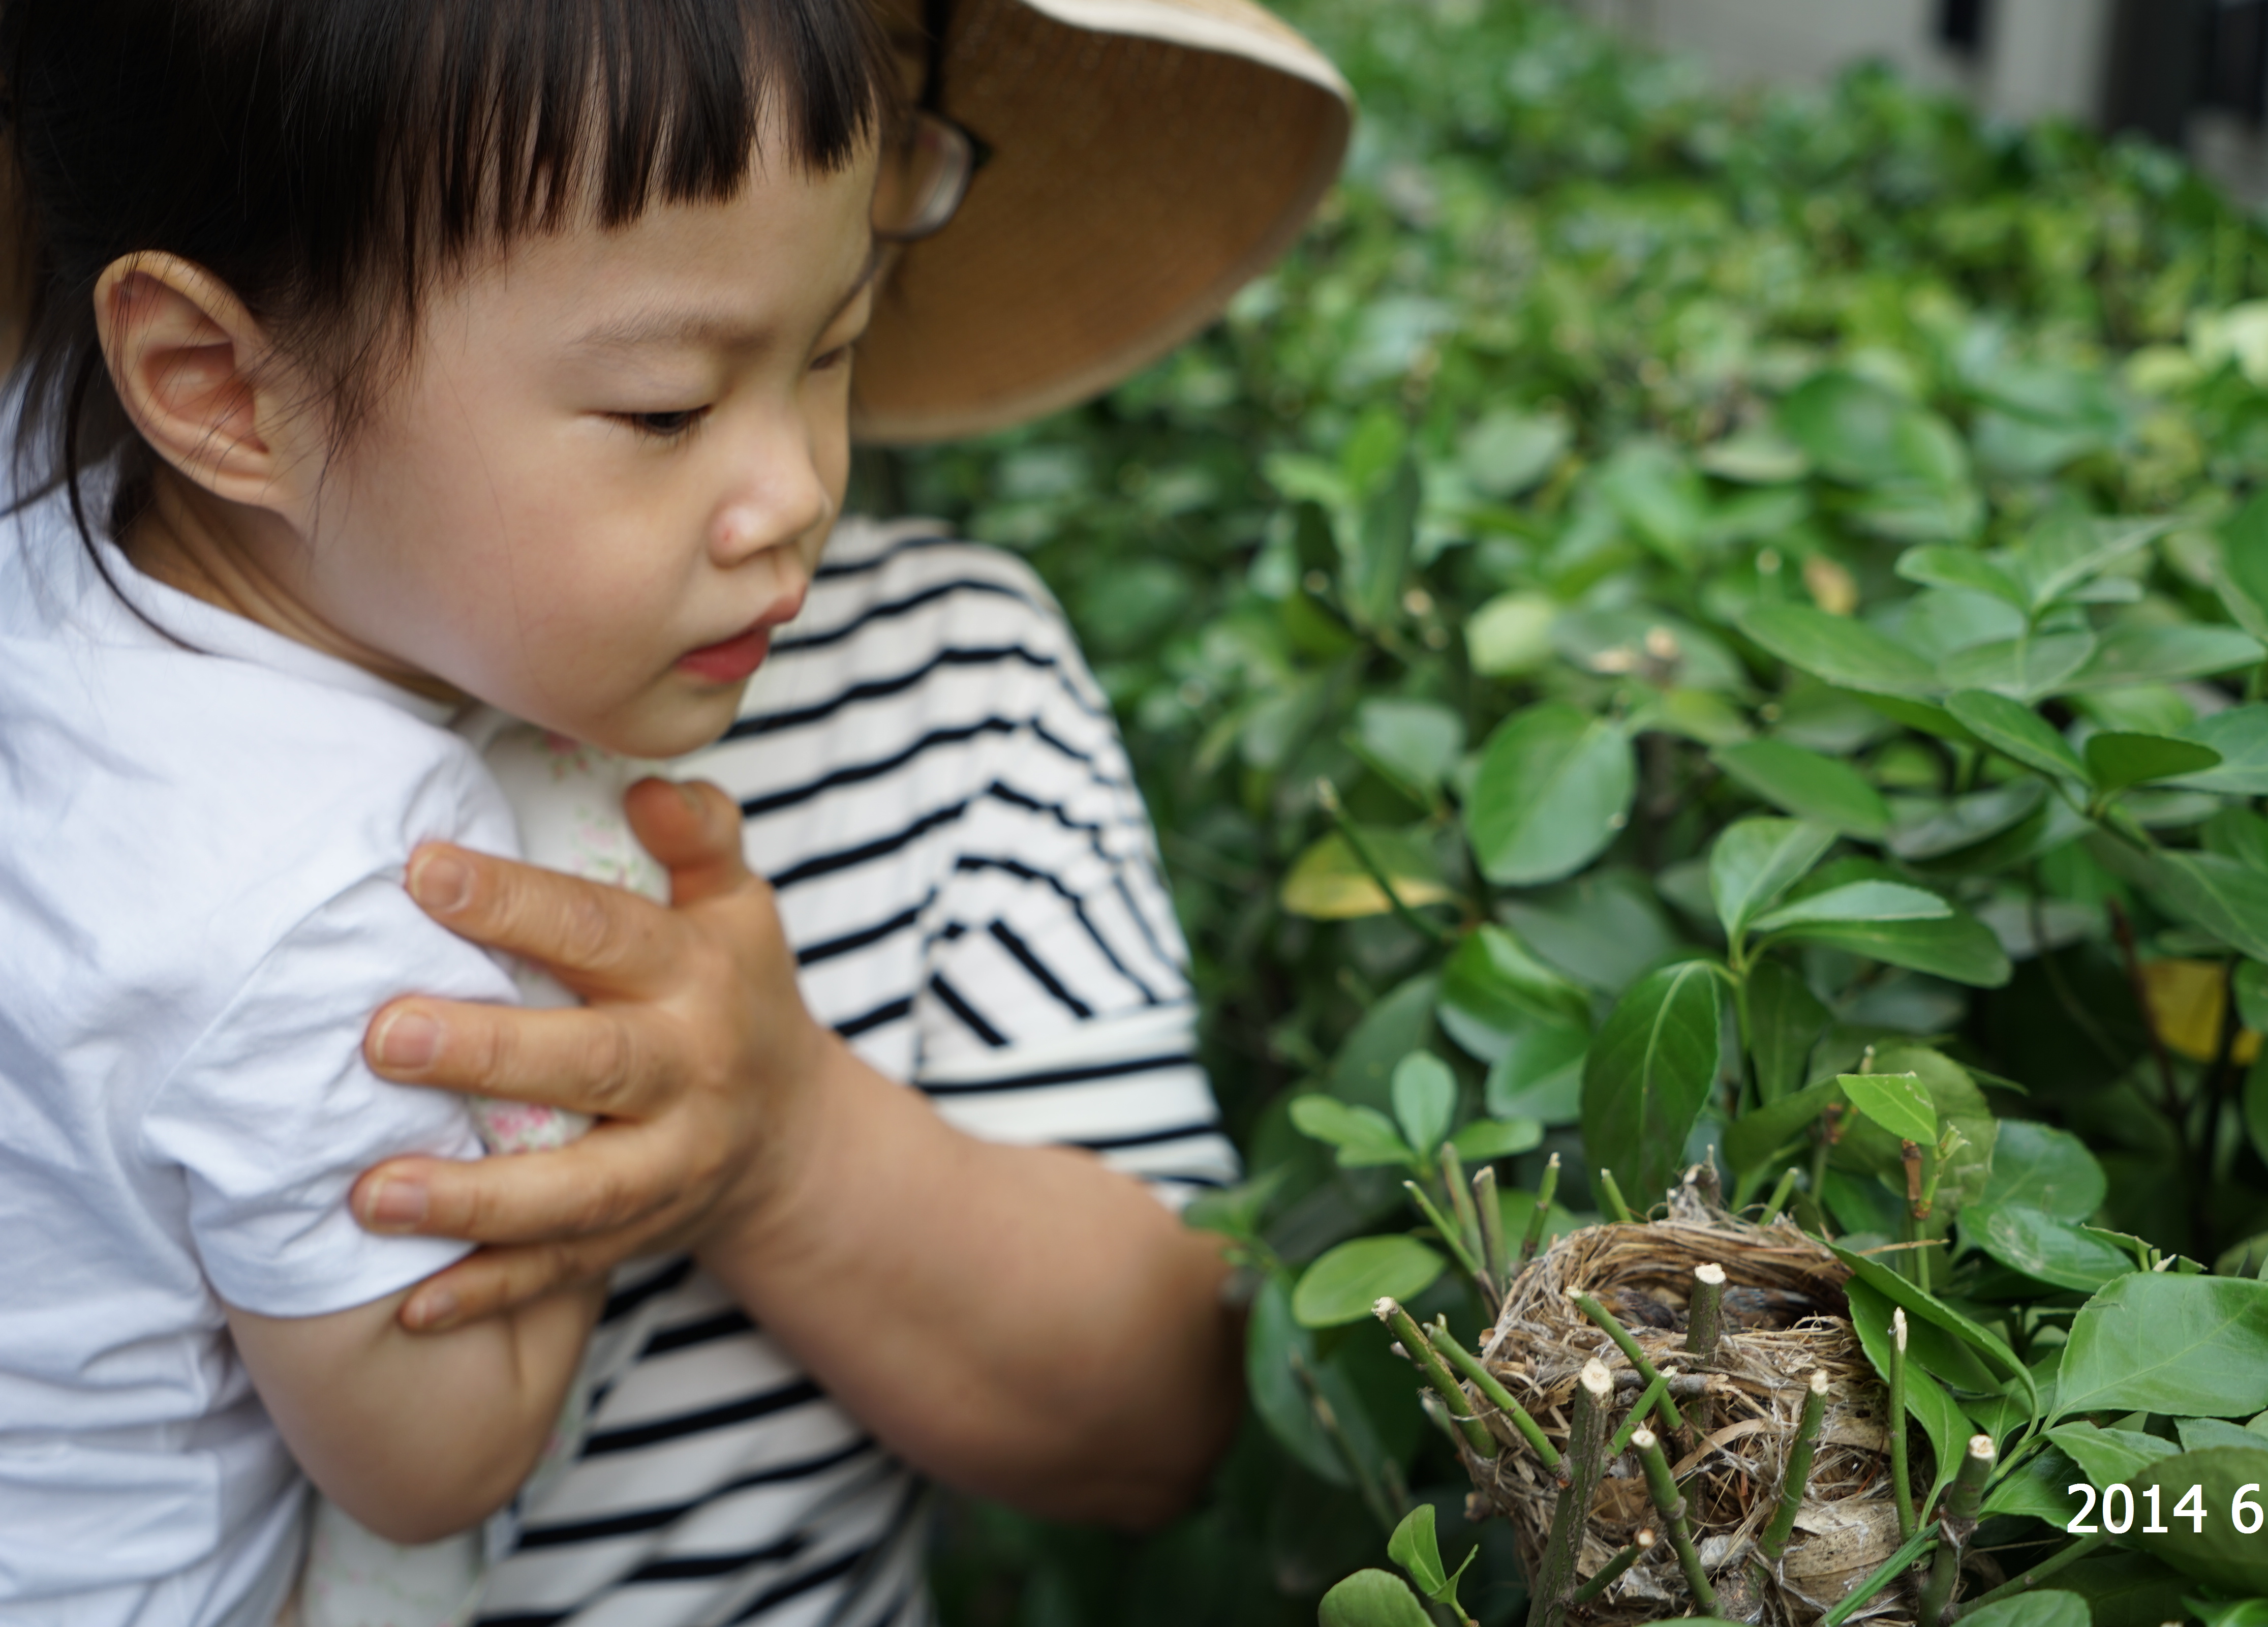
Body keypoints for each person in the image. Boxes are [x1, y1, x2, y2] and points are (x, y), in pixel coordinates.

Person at [0, 3, 1350, 1626]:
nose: (798, 495)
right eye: (663, 409)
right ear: (221, 386)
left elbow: (1179, 1419)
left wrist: (780, 1145)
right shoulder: (271, 869)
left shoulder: (941, 685)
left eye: (834, 346)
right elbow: (427, 1457)